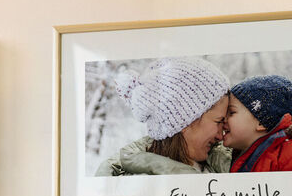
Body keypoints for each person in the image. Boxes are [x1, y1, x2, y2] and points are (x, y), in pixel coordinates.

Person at [95, 57, 233, 176]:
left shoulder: (218, 166)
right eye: (219, 121)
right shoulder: (140, 186)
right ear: (184, 121)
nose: (221, 135)